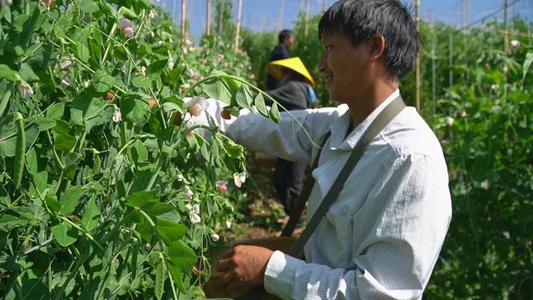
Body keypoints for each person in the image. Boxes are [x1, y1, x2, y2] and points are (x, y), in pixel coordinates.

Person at [195, 0, 452, 298]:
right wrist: (184, 111)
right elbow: (254, 123)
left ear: (373, 47)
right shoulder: (336, 125)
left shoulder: (411, 159)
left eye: (331, 47)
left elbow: (380, 294)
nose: (321, 65)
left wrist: (271, 268)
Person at [265, 57, 318, 215]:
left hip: (292, 139)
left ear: (290, 73)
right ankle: (293, 214)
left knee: (287, 180)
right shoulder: (305, 88)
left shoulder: (292, 87)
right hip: (298, 140)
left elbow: (265, 97)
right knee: (291, 179)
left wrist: (243, 95)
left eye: (283, 72)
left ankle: (294, 217)